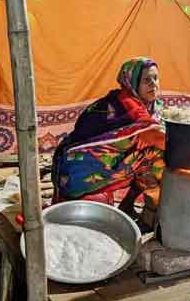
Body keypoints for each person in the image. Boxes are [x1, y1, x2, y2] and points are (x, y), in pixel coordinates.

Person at [51, 57, 166, 217]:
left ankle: (128, 205)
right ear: (131, 82)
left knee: (153, 154)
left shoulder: (151, 105)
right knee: (161, 154)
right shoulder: (126, 103)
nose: (154, 84)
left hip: (111, 161)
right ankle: (66, 205)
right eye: (147, 79)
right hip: (75, 167)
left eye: (155, 78)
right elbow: (156, 136)